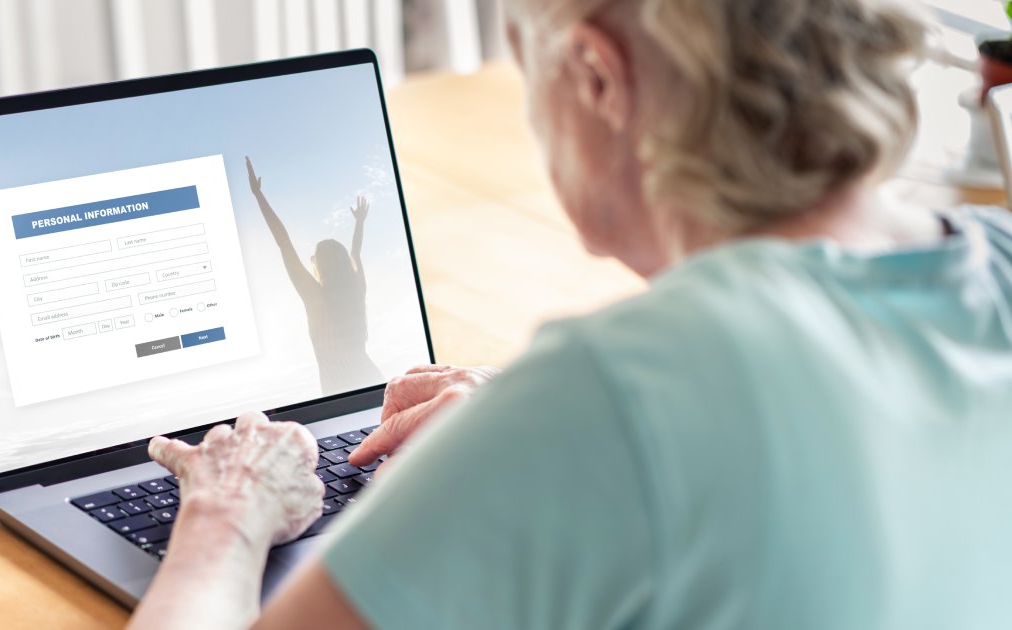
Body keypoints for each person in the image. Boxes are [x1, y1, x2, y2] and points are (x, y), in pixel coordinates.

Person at [131, 0, 1012, 627]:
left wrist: (225, 514)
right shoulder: (995, 266)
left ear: (596, 74)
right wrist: (528, 436)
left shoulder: (615, 391)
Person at [245, 156, 383, 395]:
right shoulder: (356, 290)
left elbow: (283, 242)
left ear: (321, 265)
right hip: (373, 381)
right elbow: (355, 252)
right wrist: (359, 222)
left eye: (314, 258)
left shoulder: (315, 298)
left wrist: (258, 196)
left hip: (340, 390)